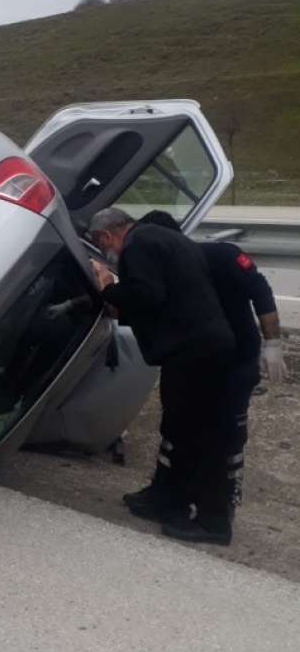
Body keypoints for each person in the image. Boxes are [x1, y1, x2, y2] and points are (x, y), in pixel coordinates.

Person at [123, 210, 288, 519]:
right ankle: (164, 493)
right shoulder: (165, 272)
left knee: (229, 432)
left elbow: (260, 289)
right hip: (197, 362)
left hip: (236, 361)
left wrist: (273, 343)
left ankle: (222, 503)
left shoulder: (217, 255)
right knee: (178, 430)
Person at [88, 207, 236, 545]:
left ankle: (209, 522)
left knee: (196, 437)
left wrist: (109, 289)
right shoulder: (169, 238)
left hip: (193, 353)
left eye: (102, 244)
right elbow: (167, 295)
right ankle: (166, 500)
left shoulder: (139, 243)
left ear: (107, 235)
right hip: (206, 349)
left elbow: (147, 295)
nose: (106, 252)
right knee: (182, 431)